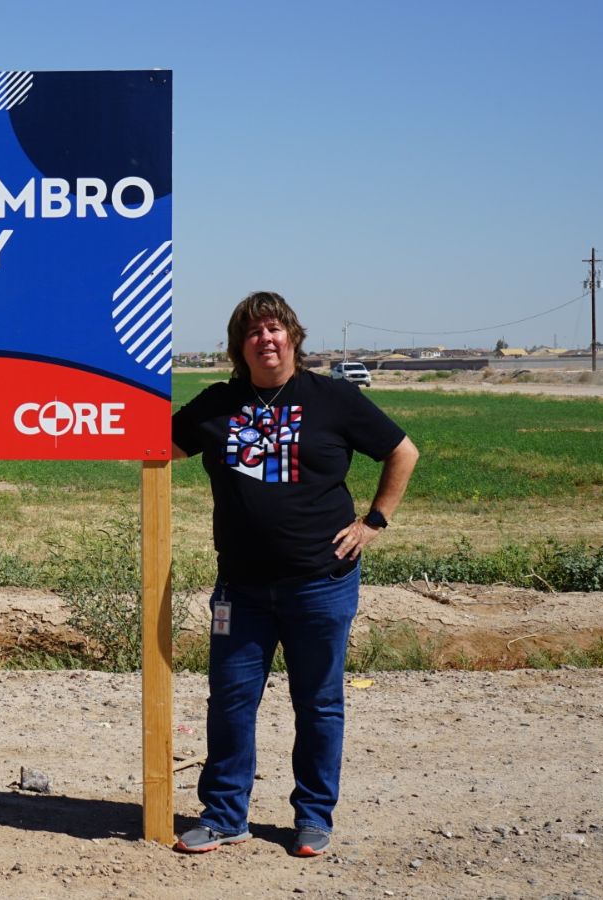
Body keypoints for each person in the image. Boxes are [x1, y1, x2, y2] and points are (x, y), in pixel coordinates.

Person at [169, 291, 418, 857]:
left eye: (275, 329)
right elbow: (150, 442)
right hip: (241, 590)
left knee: (319, 702)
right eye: (253, 332)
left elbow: (403, 452)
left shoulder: (333, 398)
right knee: (230, 703)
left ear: (293, 337)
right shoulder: (215, 406)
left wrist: (374, 521)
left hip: (321, 584)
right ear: (239, 347)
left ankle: (313, 817)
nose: (266, 339)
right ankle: (225, 814)